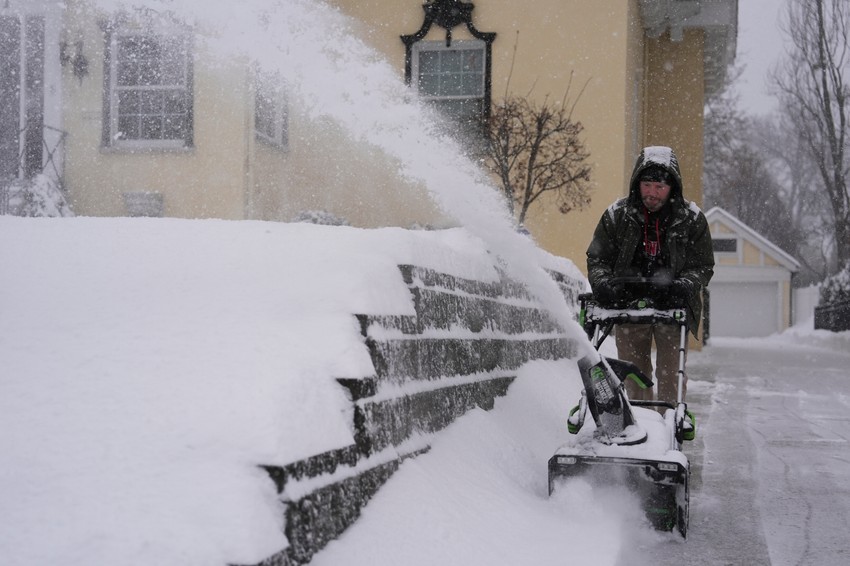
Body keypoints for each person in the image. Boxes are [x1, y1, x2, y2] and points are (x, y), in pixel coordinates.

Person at [586, 146, 714, 404]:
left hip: (672, 306)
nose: (652, 193)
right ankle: (638, 426)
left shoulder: (691, 219)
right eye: (647, 185)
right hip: (627, 304)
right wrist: (603, 285)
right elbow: (598, 258)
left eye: (659, 187)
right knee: (633, 374)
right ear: (637, 183)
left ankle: (668, 426)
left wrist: (684, 285)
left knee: (671, 377)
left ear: (672, 188)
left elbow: (702, 265)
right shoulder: (617, 216)